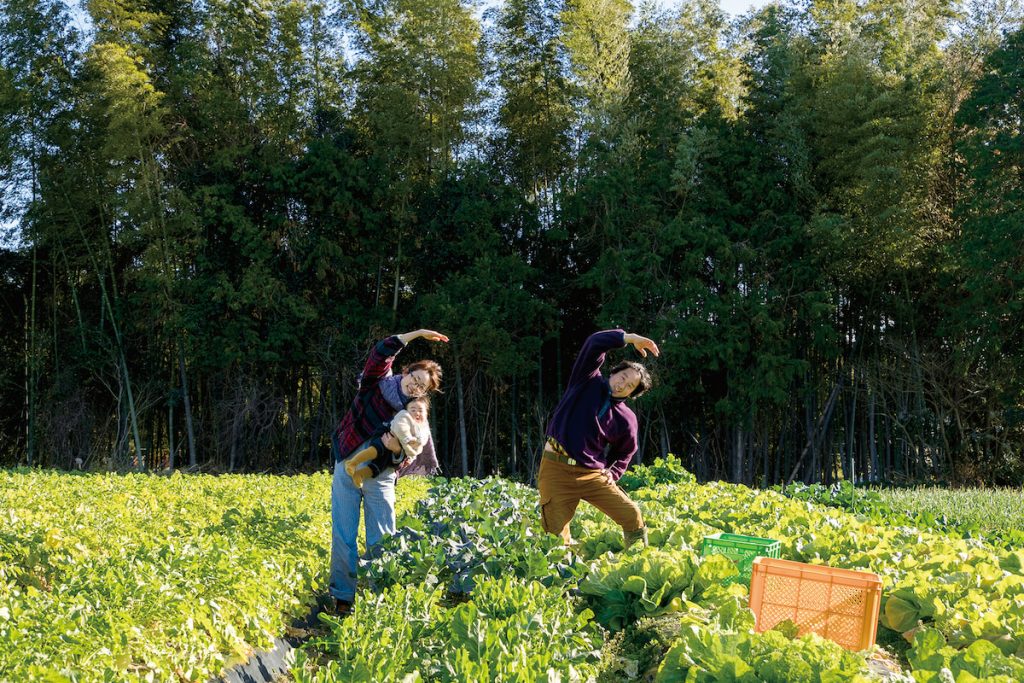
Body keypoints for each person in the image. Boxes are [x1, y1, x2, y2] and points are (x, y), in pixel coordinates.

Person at [330, 329, 447, 616]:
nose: (415, 386)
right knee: (343, 534)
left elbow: (411, 454)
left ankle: (378, 599)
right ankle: (343, 599)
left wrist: (394, 448)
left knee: (382, 538)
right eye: (415, 378)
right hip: (347, 463)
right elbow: (380, 353)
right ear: (406, 372)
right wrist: (417, 334)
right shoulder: (375, 384)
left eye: (422, 387)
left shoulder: (416, 416)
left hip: (381, 476)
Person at [538, 328, 659, 549]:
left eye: (630, 385)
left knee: (631, 515)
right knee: (555, 538)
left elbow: (626, 451)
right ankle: (563, 576)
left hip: (592, 475)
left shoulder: (627, 419)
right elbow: (594, 342)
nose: (622, 384)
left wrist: (613, 473)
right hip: (556, 469)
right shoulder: (585, 381)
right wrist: (629, 338)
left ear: (632, 394)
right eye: (622, 377)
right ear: (613, 373)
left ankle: (638, 560)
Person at [345, 396, 431, 487]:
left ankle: (359, 474)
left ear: (426, 413)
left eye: (421, 410)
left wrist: (410, 457)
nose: (417, 413)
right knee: (376, 449)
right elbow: (401, 429)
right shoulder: (403, 417)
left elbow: (418, 447)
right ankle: (352, 463)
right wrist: (407, 440)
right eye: (413, 410)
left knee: (379, 467)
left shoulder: (424, 429)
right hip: (388, 436)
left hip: (396, 451)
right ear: (406, 411)